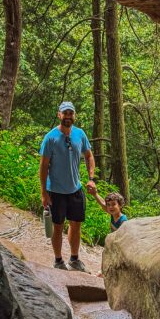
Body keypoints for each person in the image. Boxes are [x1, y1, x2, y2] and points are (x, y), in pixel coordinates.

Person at [39, 101, 96, 271]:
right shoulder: (50, 138)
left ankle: (74, 259)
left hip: (75, 189)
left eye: (71, 113)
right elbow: (43, 166)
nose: (68, 117)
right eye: (65, 113)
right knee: (58, 226)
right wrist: (43, 192)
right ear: (59, 115)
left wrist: (91, 178)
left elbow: (89, 156)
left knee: (76, 224)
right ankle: (58, 261)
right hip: (55, 191)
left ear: (74, 116)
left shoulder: (80, 134)